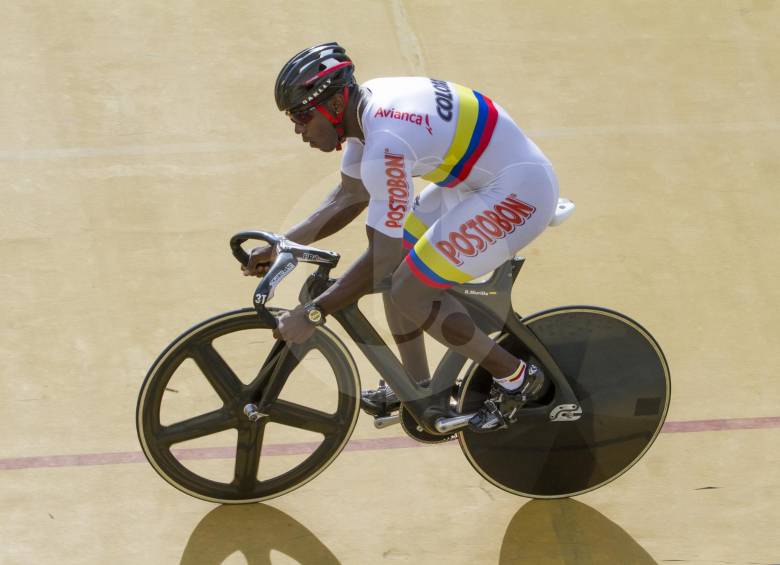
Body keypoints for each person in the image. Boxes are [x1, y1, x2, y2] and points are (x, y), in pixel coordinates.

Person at [243, 42, 559, 432]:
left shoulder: (387, 142)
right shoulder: (365, 115)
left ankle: (517, 378)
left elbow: (383, 257)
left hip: (518, 192)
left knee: (408, 287)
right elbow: (348, 196)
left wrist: (313, 312)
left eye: (303, 116)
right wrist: (282, 244)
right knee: (400, 274)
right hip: (477, 183)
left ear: (335, 104)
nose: (298, 128)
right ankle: (419, 387)